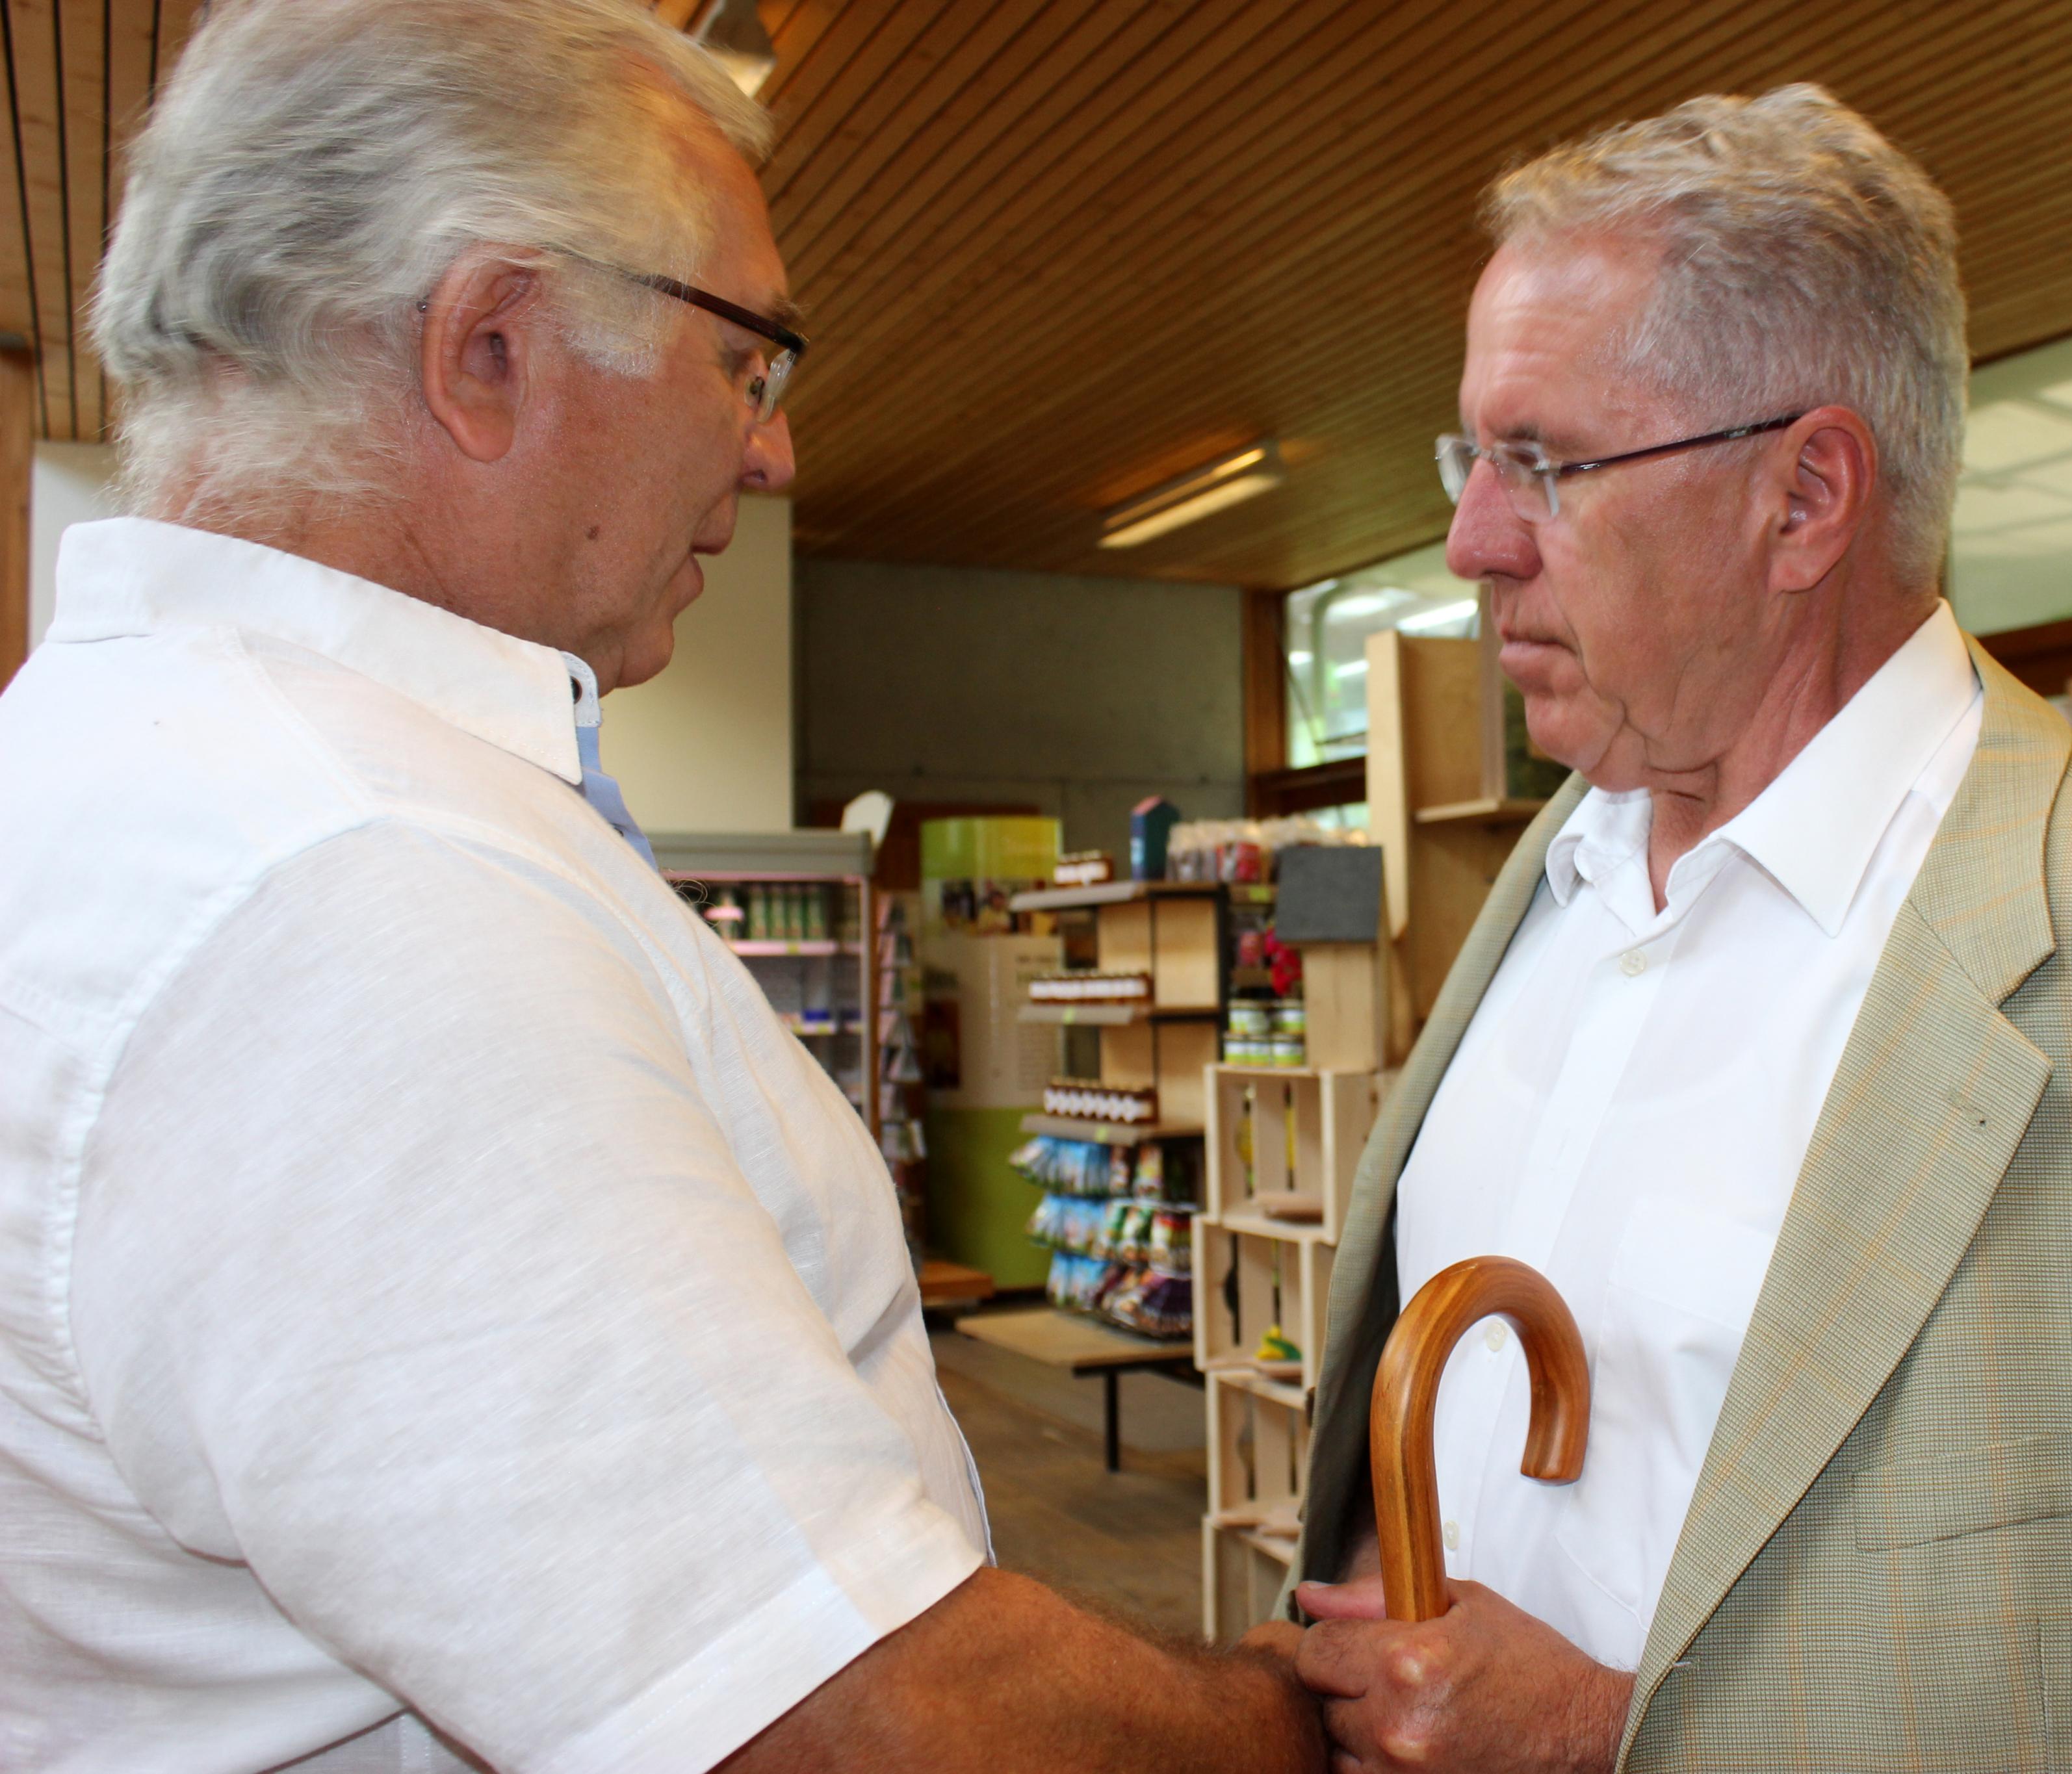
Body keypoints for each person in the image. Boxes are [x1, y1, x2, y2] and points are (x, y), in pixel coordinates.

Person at [0, 3, 1319, 1769]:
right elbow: (857, 1726)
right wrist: (1304, 1728)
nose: (773, 451)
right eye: (746, 358)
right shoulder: (360, 894)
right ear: (487, 350)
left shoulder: (151, 765)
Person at [1284, 86, 2072, 1772]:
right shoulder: (1542, 890)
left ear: (1807, 496)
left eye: (1544, 463)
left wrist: (1611, 1737)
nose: (1470, 543)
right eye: (1473, 458)